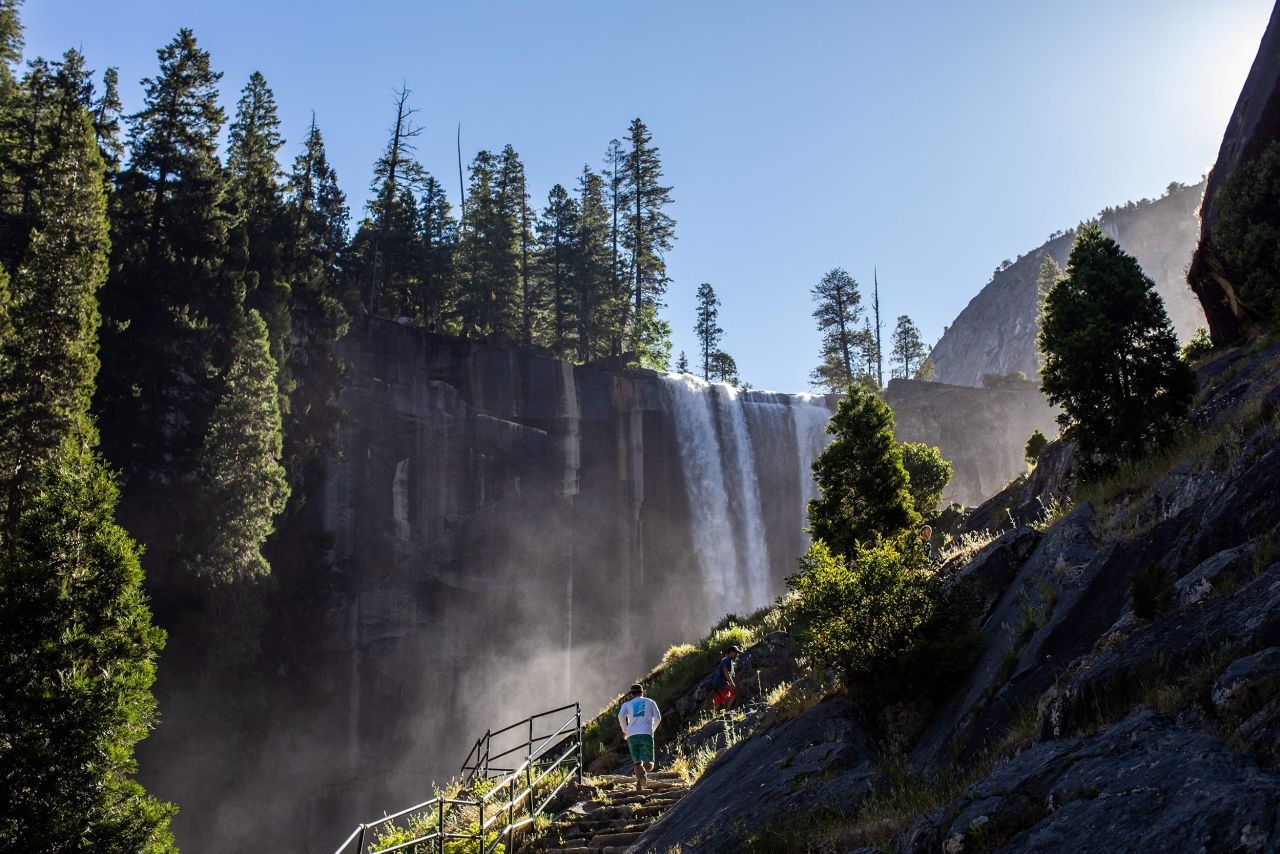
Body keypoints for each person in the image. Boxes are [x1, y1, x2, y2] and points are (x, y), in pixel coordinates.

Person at [618, 683, 661, 789]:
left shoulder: (627, 704)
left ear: (632, 694)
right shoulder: (650, 702)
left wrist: (625, 730)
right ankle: (642, 776)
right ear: (642, 692)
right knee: (649, 762)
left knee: (637, 762)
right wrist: (652, 729)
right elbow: (658, 718)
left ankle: (640, 779)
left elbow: (620, 716)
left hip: (632, 734)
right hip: (646, 732)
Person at [710, 646, 741, 713]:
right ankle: (727, 712)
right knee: (733, 695)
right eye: (736, 653)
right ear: (732, 652)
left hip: (715, 683)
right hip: (721, 683)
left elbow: (729, 672)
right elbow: (725, 671)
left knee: (720, 701)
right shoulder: (728, 660)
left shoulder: (725, 659)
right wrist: (732, 683)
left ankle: (716, 716)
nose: (737, 655)